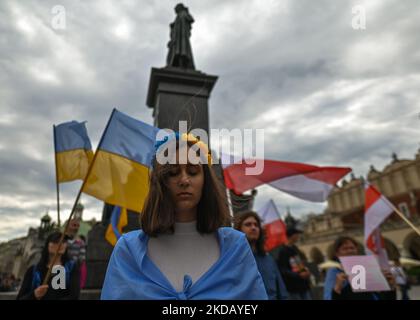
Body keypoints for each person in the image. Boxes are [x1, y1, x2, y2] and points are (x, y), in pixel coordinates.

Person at [101, 133, 268, 300]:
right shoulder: (128, 250)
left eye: (193, 171)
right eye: (173, 172)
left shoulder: (236, 247)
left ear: (206, 180)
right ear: (159, 182)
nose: (184, 180)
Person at [234, 211, 289, 300]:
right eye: (248, 224)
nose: (253, 227)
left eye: (256, 225)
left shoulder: (269, 259)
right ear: (239, 230)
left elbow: (281, 291)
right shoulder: (233, 260)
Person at [323, 236, 397, 300]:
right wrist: (337, 288)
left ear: (356, 250)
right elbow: (329, 297)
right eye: (345, 249)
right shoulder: (335, 271)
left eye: (352, 248)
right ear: (337, 254)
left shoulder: (367, 267)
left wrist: (390, 286)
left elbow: (380, 296)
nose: (349, 251)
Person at [16, 231, 80, 300]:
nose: (61, 244)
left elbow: (74, 296)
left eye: (64, 242)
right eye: (56, 242)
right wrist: (34, 295)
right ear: (47, 245)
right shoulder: (33, 271)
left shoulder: (71, 268)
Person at [277, 227, 312, 300]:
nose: (298, 236)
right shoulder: (283, 251)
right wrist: (298, 275)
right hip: (294, 288)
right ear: (292, 235)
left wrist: (306, 270)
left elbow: (300, 263)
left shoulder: (295, 249)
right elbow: (283, 270)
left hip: (304, 285)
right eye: (297, 234)